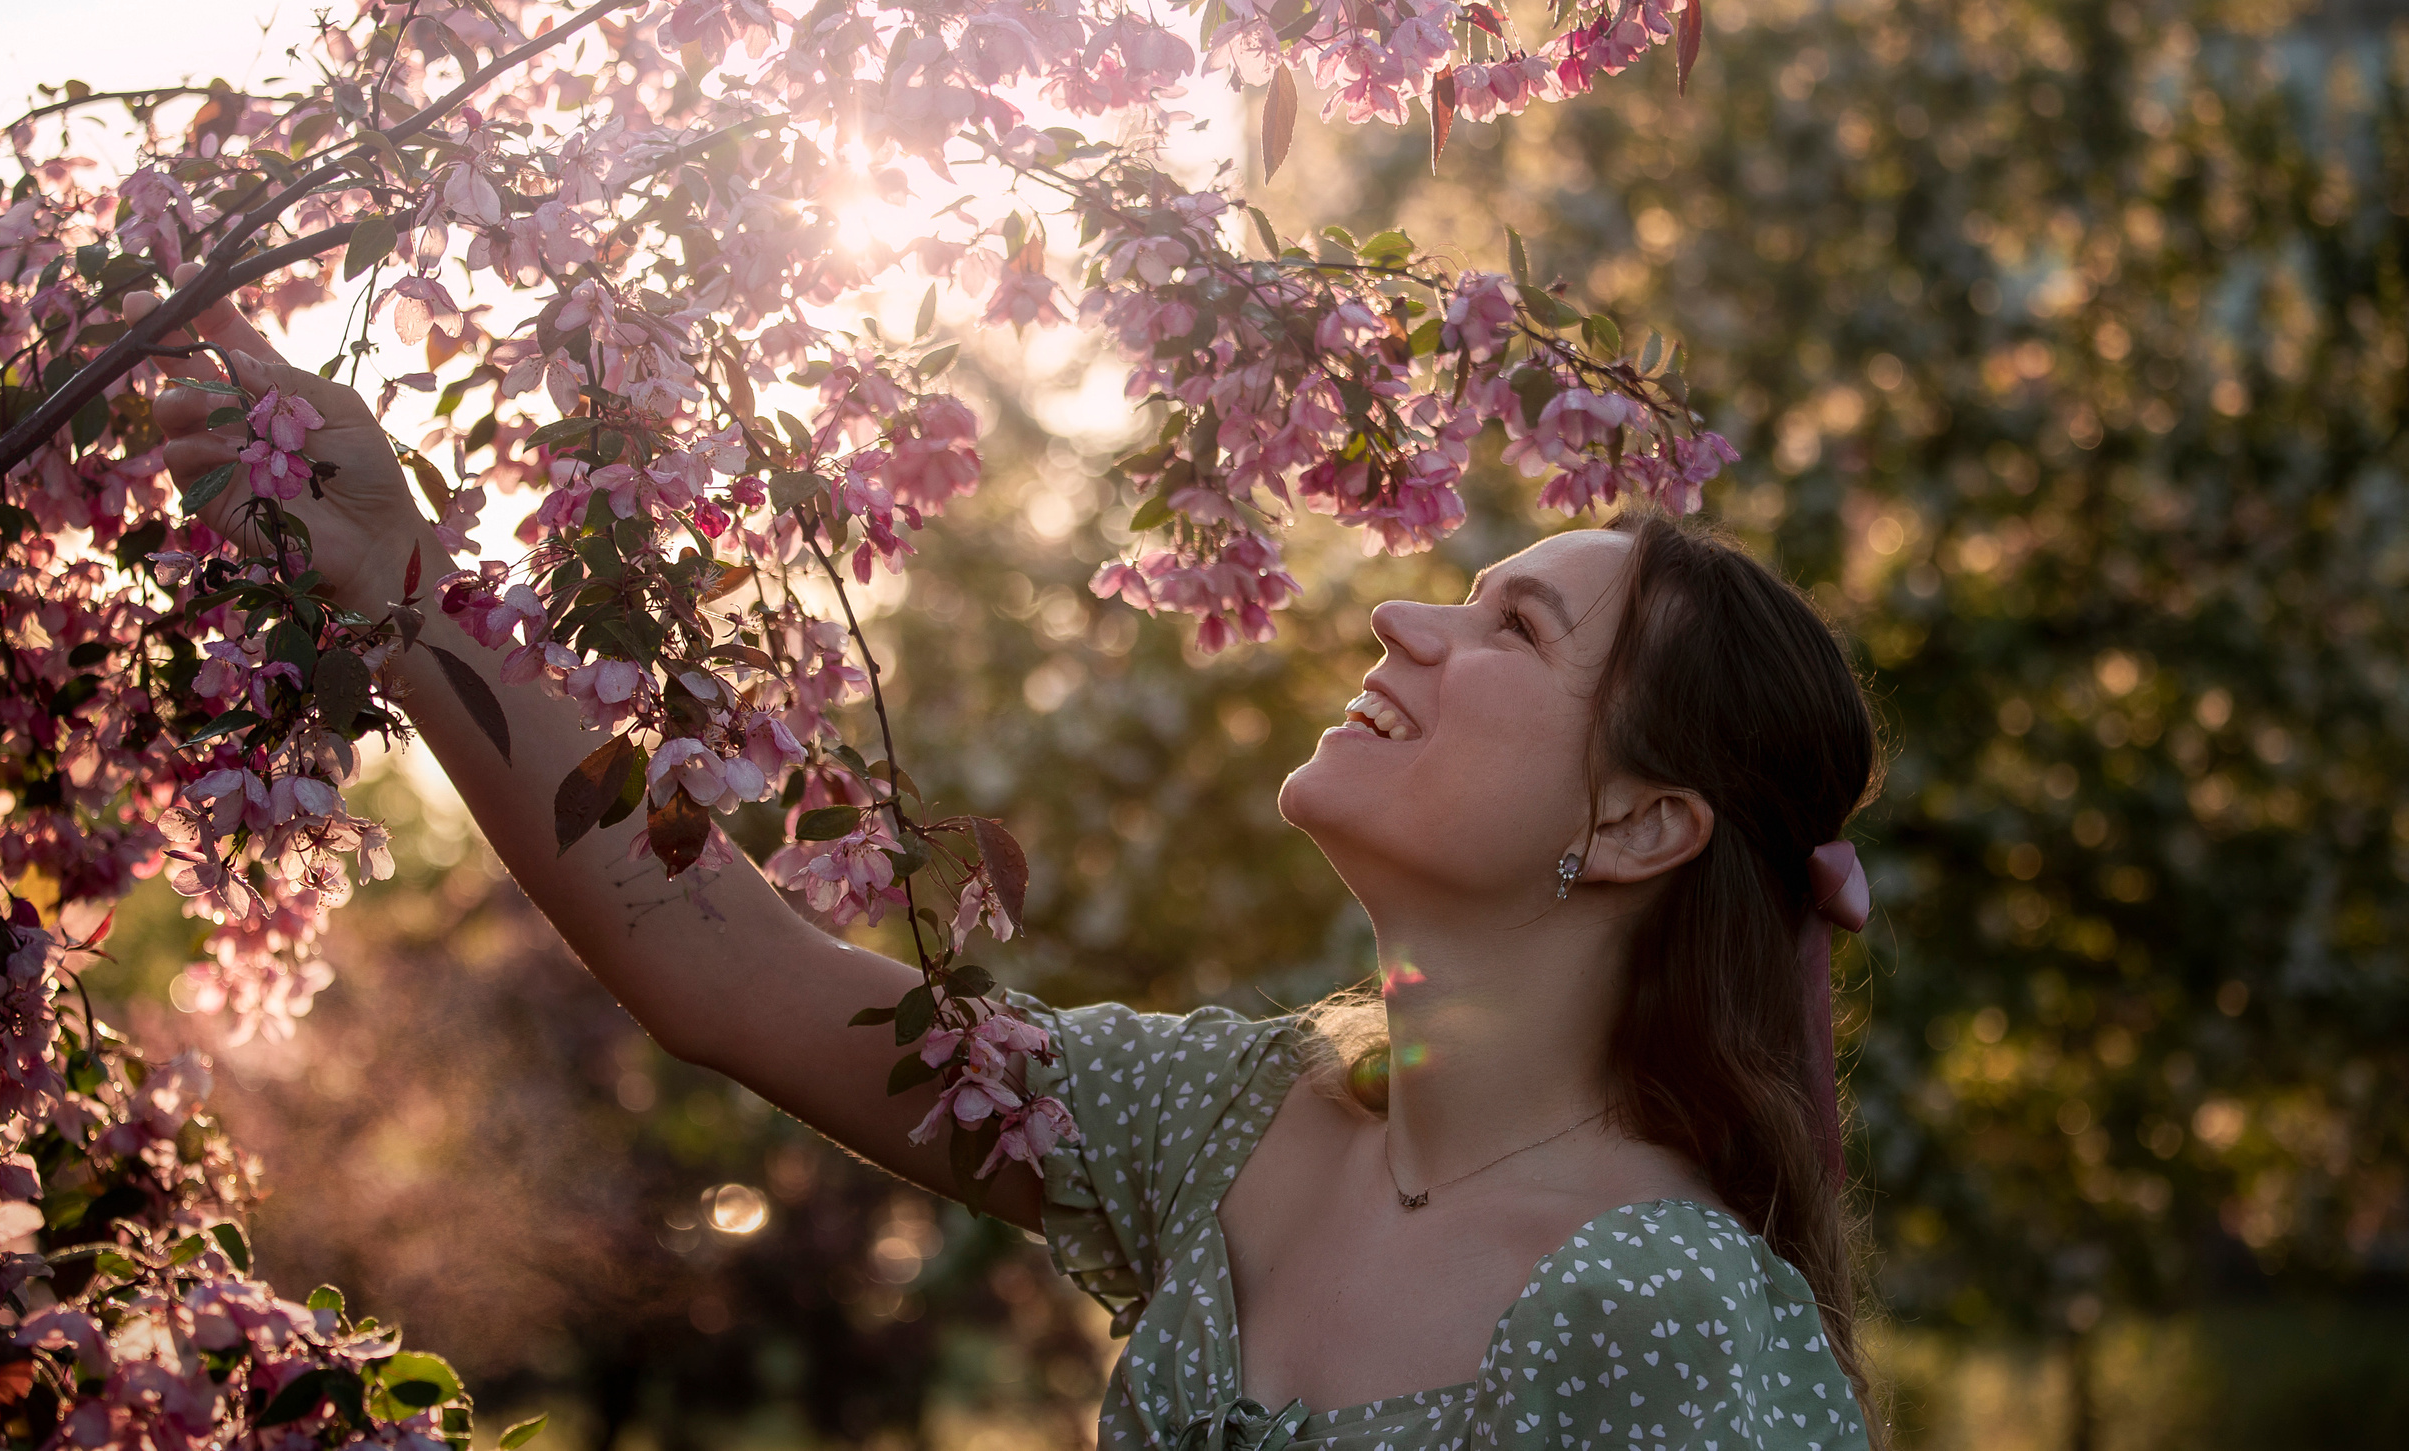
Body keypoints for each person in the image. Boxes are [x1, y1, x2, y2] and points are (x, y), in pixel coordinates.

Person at [155, 311, 1882, 1451]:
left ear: (1652, 825)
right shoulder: (1223, 1119)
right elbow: (734, 979)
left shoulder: (1663, 1308)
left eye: (1515, 623)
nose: (1399, 615)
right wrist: (398, 584)